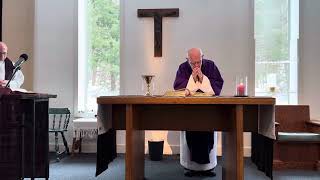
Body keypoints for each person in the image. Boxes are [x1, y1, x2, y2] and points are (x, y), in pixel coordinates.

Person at [173, 48, 224, 177]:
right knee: (192, 134)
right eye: (193, 63)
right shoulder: (183, 68)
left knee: (207, 134)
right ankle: (191, 168)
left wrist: (203, 79)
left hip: (208, 110)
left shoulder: (210, 65)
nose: (196, 66)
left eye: (199, 62)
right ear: (187, 60)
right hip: (190, 110)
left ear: (203, 57)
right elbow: (178, 86)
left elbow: (217, 85)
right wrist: (193, 79)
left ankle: (208, 168)